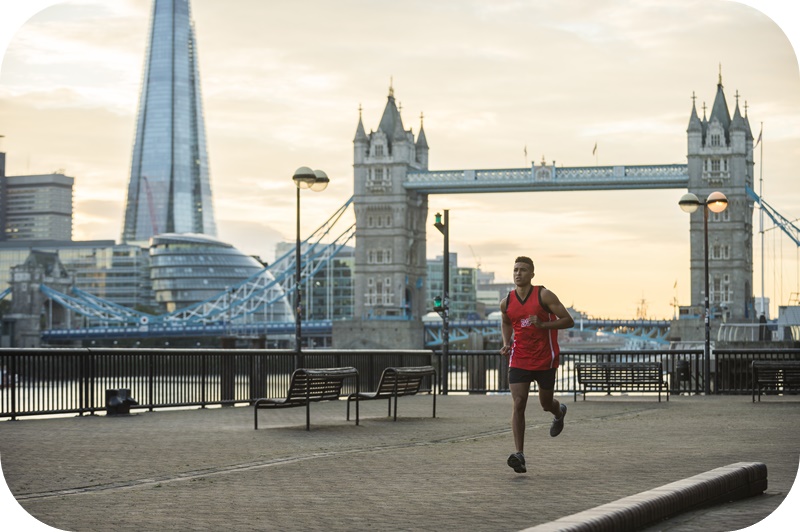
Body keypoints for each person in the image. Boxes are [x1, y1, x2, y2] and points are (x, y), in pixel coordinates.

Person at [500, 256, 574, 473]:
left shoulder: (544, 295)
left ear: (532, 274)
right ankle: (519, 454)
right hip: (519, 358)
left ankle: (559, 412)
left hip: (545, 359)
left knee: (546, 403)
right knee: (519, 403)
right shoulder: (507, 301)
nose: (518, 273)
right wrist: (506, 343)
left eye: (523, 270)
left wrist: (543, 324)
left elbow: (568, 320)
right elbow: (506, 321)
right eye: (515, 269)